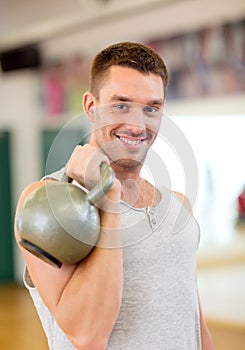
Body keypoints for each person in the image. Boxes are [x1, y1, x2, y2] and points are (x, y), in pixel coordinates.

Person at [15, 41, 215, 350]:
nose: (137, 124)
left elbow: (194, 321)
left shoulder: (177, 206)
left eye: (152, 107)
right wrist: (108, 198)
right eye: (120, 104)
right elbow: (87, 335)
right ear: (91, 106)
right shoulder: (48, 203)